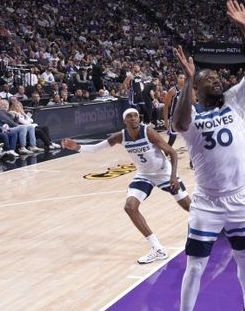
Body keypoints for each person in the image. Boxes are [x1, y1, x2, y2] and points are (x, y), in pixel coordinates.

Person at [171, 0, 245, 311]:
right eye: (208, 77)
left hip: (240, 198)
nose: (218, 78)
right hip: (207, 204)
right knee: (194, 268)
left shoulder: (235, 100)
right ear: (197, 88)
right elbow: (179, 122)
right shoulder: (190, 113)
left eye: (219, 76)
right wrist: (185, 83)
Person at [62, 107, 190, 261]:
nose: (134, 118)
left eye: (136, 115)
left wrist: (174, 176)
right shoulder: (121, 136)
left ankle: (215, 221)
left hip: (164, 173)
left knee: (188, 207)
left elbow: (172, 152)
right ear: (125, 120)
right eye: (130, 116)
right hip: (145, 175)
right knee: (130, 207)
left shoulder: (148, 132)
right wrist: (77, 147)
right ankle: (158, 249)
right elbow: (96, 148)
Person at [163, 74, 185, 147]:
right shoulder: (172, 90)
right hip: (175, 118)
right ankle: (166, 154)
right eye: (180, 78)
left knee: (191, 139)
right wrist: (166, 121)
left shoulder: (188, 90)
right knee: (172, 138)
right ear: (177, 79)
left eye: (184, 78)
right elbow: (166, 106)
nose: (182, 79)